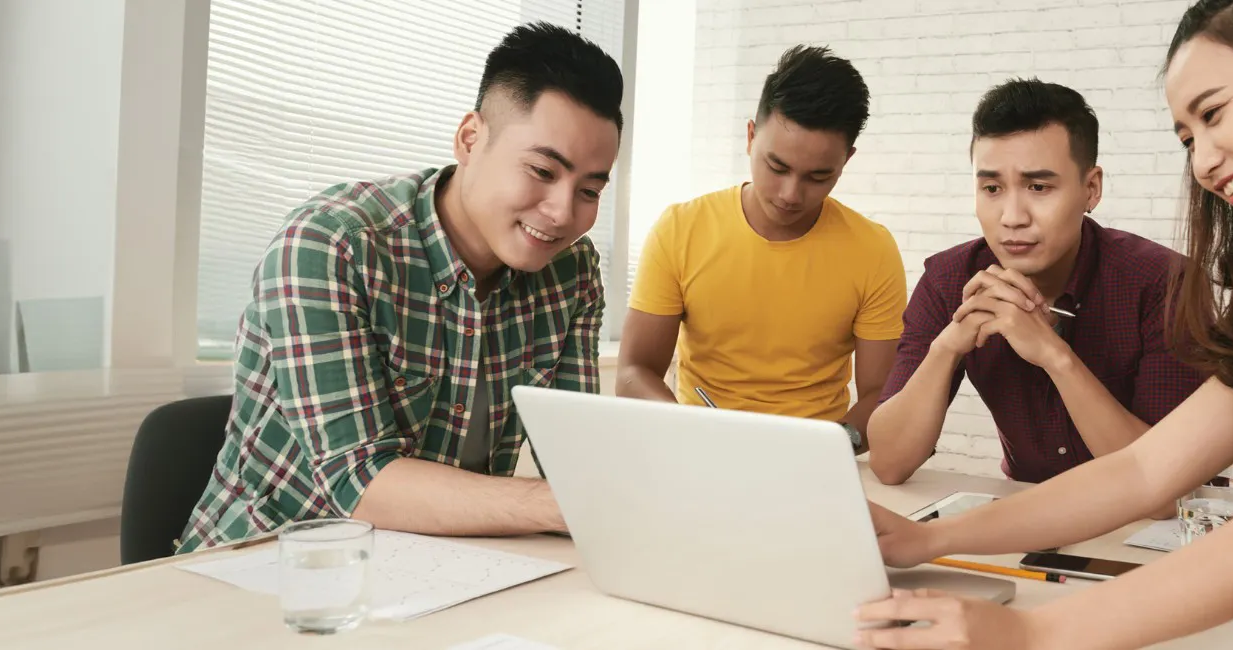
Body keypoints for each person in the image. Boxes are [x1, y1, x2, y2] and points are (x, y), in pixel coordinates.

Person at [854, 1, 1233, 648]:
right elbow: (1145, 470)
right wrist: (931, 538)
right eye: (1186, 138)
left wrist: (1031, 634)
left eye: (1213, 113)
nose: (1201, 162)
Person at [176, 23, 623, 554]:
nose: (563, 213)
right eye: (542, 170)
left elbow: (573, 454)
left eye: (590, 190)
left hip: (447, 564)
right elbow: (360, 484)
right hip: (268, 567)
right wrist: (568, 504)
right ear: (470, 138)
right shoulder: (332, 244)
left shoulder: (572, 271)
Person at [865, 79, 1207, 487]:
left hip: (1145, 530)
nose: (1012, 216)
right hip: (1025, 509)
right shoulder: (948, 280)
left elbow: (1167, 482)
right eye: (991, 188)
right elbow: (888, 464)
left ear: (1091, 189)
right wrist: (947, 347)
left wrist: (1053, 355)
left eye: (1038, 187)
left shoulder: (1166, 284)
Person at [619, 45, 906, 439]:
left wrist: (834, 444)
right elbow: (634, 373)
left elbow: (881, 394)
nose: (791, 193)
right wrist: (688, 431)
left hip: (818, 458)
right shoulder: (680, 229)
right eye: (777, 166)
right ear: (751, 136)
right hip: (698, 446)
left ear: (847, 161)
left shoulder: (873, 249)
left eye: (818, 176)